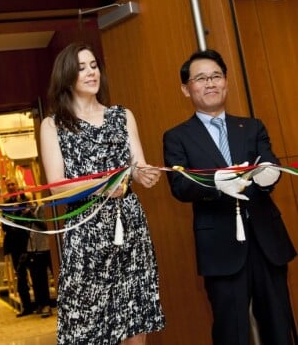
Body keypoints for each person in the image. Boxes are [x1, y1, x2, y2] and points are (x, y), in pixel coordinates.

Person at [163, 48, 296, 345]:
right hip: (220, 248)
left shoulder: (251, 126)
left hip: (266, 242)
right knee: (231, 332)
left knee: (279, 326)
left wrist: (267, 176)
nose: (210, 83)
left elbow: (269, 167)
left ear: (225, 82)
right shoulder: (177, 137)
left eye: (216, 76)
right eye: (201, 78)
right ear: (186, 89)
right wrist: (217, 183)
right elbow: (180, 186)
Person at [40, 42, 165, 344]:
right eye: (81, 68)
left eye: (93, 65)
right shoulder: (53, 125)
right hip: (85, 232)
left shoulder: (122, 116)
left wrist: (143, 174)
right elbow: (57, 187)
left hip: (129, 226)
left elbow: (136, 166)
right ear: (66, 76)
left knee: (135, 314)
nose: (90, 72)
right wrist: (103, 187)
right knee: (88, 324)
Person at [2, 178, 52, 318]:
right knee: (21, 276)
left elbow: (34, 223)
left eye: (13, 184)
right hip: (15, 245)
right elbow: (4, 225)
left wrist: (24, 212)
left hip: (28, 243)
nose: (11, 186)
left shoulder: (26, 202)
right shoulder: (5, 205)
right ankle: (27, 306)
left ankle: (41, 303)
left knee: (37, 275)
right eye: (9, 185)